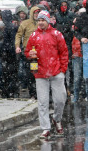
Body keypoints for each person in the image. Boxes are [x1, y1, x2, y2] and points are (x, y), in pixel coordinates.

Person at [25, 10, 68, 139]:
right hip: (40, 73)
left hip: (56, 72)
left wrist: (62, 70)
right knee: (42, 102)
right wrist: (29, 55)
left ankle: (57, 119)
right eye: (39, 20)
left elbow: (64, 52)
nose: (41, 22)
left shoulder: (56, 34)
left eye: (43, 20)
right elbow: (27, 51)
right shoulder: (33, 36)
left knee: (60, 100)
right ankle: (45, 128)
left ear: (48, 21)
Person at [15, 6, 41, 99]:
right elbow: (18, 35)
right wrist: (17, 46)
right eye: (35, 13)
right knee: (29, 74)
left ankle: (39, 93)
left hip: (40, 53)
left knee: (39, 73)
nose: (36, 15)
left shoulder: (41, 23)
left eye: (38, 13)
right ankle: (33, 93)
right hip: (28, 53)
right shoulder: (25, 23)